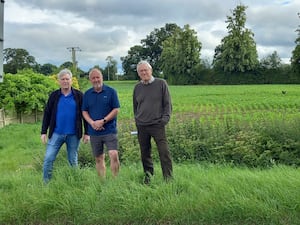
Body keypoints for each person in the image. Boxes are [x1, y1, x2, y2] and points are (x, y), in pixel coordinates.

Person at [41, 68, 89, 183]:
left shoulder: (79, 96)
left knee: (73, 160)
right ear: (59, 81)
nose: (65, 81)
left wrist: (87, 133)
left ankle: (75, 182)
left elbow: (85, 115)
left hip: (73, 134)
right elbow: (47, 114)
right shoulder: (54, 96)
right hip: (56, 133)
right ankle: (46, 183)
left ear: (71, 80)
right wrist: (43, 132)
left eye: (67, 79)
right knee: (48, 158)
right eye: (62, 79)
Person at [133, 60, 173, 184]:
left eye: (146, 70)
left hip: (158, 124)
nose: (144, 72)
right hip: (142, 125)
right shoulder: (137, 87)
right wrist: (137, 119)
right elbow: (136, 106)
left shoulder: (161, 84)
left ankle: (168, 179)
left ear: (151, 70)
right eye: (141, 71)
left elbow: (167, 104)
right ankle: (148, 177)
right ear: (138, 73)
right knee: (145, 153)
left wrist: (165, 119)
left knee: (164, 152)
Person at [82, 68, 120, 178]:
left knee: (113, 154)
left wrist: (103, 121)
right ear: (90, 80)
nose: (96, 80)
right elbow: (84, 111)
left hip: (109, 130)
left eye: (98, 77)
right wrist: (92, 123)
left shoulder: (111, 91)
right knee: (99, 158)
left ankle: (115, 180)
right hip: (94, 131)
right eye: (93, 78)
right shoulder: (87, 94)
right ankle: (102, 182)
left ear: (102, 78)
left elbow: (116, 109)